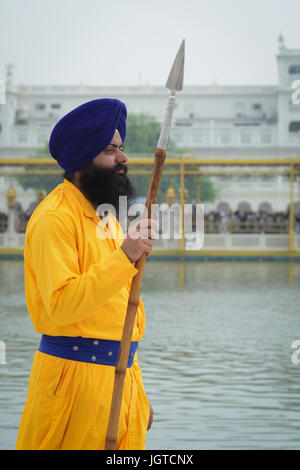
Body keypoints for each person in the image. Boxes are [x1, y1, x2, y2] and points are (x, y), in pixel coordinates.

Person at [15, 98, 156, 450]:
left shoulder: (104, 216)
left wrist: (135, 390)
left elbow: (116, 309)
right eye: (110, 150)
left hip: (120, 376)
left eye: (120, 148)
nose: (122, 158)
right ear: (81, 159)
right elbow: (63, 305)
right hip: (74, 381)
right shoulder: (54, 219)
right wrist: (126, 254)